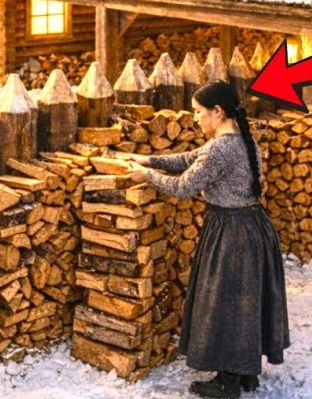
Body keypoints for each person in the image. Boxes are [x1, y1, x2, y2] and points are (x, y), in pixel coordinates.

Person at [118, 80, 289, 398]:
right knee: (245, 300)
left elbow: (183, 187)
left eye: (198, 112)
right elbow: (190, 159)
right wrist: (151, 160)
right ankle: (243, 371)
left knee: (226, 301)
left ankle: (228, 381)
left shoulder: (223, 147)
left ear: (217, 111)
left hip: (233, 231)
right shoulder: (240, 139)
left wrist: (147, 177)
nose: (196, 119)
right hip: (252, 226)